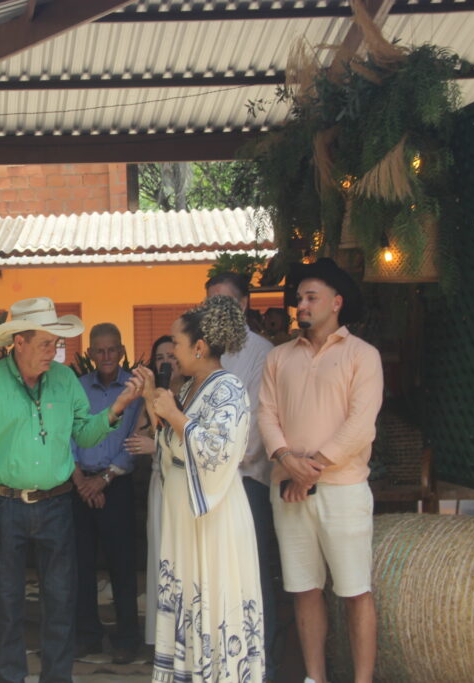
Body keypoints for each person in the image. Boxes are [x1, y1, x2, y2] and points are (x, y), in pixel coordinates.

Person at [0, 296, 141, 683]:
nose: (53, 352)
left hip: (57, 504)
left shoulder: (64, 380)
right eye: (45, 344)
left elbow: (85, 433)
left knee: (61, 601)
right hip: (3, 506)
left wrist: (117, 407)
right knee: (7, 604)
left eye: (56, 344)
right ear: (18, 342)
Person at [258, 258, 383, 683]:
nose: (302, 305)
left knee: (354, 591)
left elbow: (360, 426)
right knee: (304, 588)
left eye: (311, 298)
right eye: (299, 299)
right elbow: (266, 416)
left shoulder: (363, 356)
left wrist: (308, 470)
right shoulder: (278, 357)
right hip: (289, 489)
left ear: (337, 303)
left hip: (343, 490)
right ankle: (316, 678)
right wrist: (285, 460)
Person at [145, 296, 265, 683]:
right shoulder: (189, 389)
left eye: (177, 345)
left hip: (214, 520)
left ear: (199, 347)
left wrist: (176, 417)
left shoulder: (228, 389)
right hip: (186, 518)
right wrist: (156, 408)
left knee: (214, 602)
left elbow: (220, 454)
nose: (172, 354)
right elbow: (174, 448)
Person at [205, 271, 277, 674]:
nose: (218, 310)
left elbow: (253, 425)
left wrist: (218, 463)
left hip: (247, 482)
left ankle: (260, 662)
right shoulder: (204, 351)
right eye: (212, 302)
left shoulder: (263, 352)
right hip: (209, 484)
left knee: (252, 571)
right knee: (216, 574)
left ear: (244, 304)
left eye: (226, 302)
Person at [71, 323, 144, 664]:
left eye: (112, 349)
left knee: (122, 566)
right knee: (80, 566)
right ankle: (88, 636)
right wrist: (82, 482)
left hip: (116, 486)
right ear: (89, 354)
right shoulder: (76, 388)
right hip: (78, 486)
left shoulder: (134, 389)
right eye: (99, 350)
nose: (106, 356)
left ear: (122, 350)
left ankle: (127, 639)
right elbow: (66, 436)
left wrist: (104, 480)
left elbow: (133, 440)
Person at [123, 335, 184, 648]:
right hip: (161, 485)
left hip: (188, 489)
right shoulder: (152, 399)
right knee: (161, 555)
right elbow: (137, 440)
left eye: (173, 356)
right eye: (160, 357)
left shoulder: (193, 393)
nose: (166, 362)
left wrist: (157, 446)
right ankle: (163, 640)